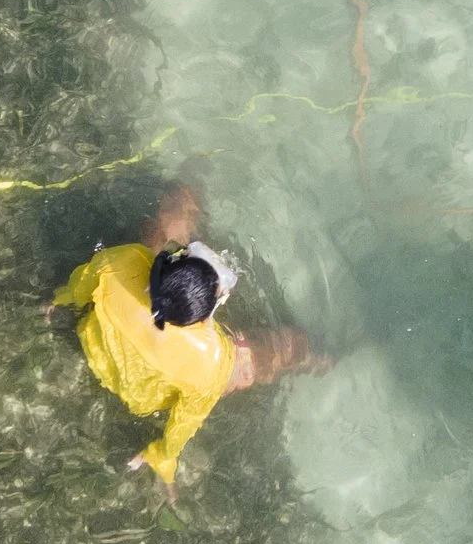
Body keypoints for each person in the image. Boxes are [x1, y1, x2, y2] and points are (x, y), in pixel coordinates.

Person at [48, 180, 323, 488]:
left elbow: (80, 286)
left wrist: (58, 300)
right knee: (248, 357)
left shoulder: (121, 262)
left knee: (163, 230)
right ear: (204, 317)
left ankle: (183, 199)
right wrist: (163, 455)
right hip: (140, 397)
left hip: (94, 345)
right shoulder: (212, 363)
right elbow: (183, 423)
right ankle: (313, 359)